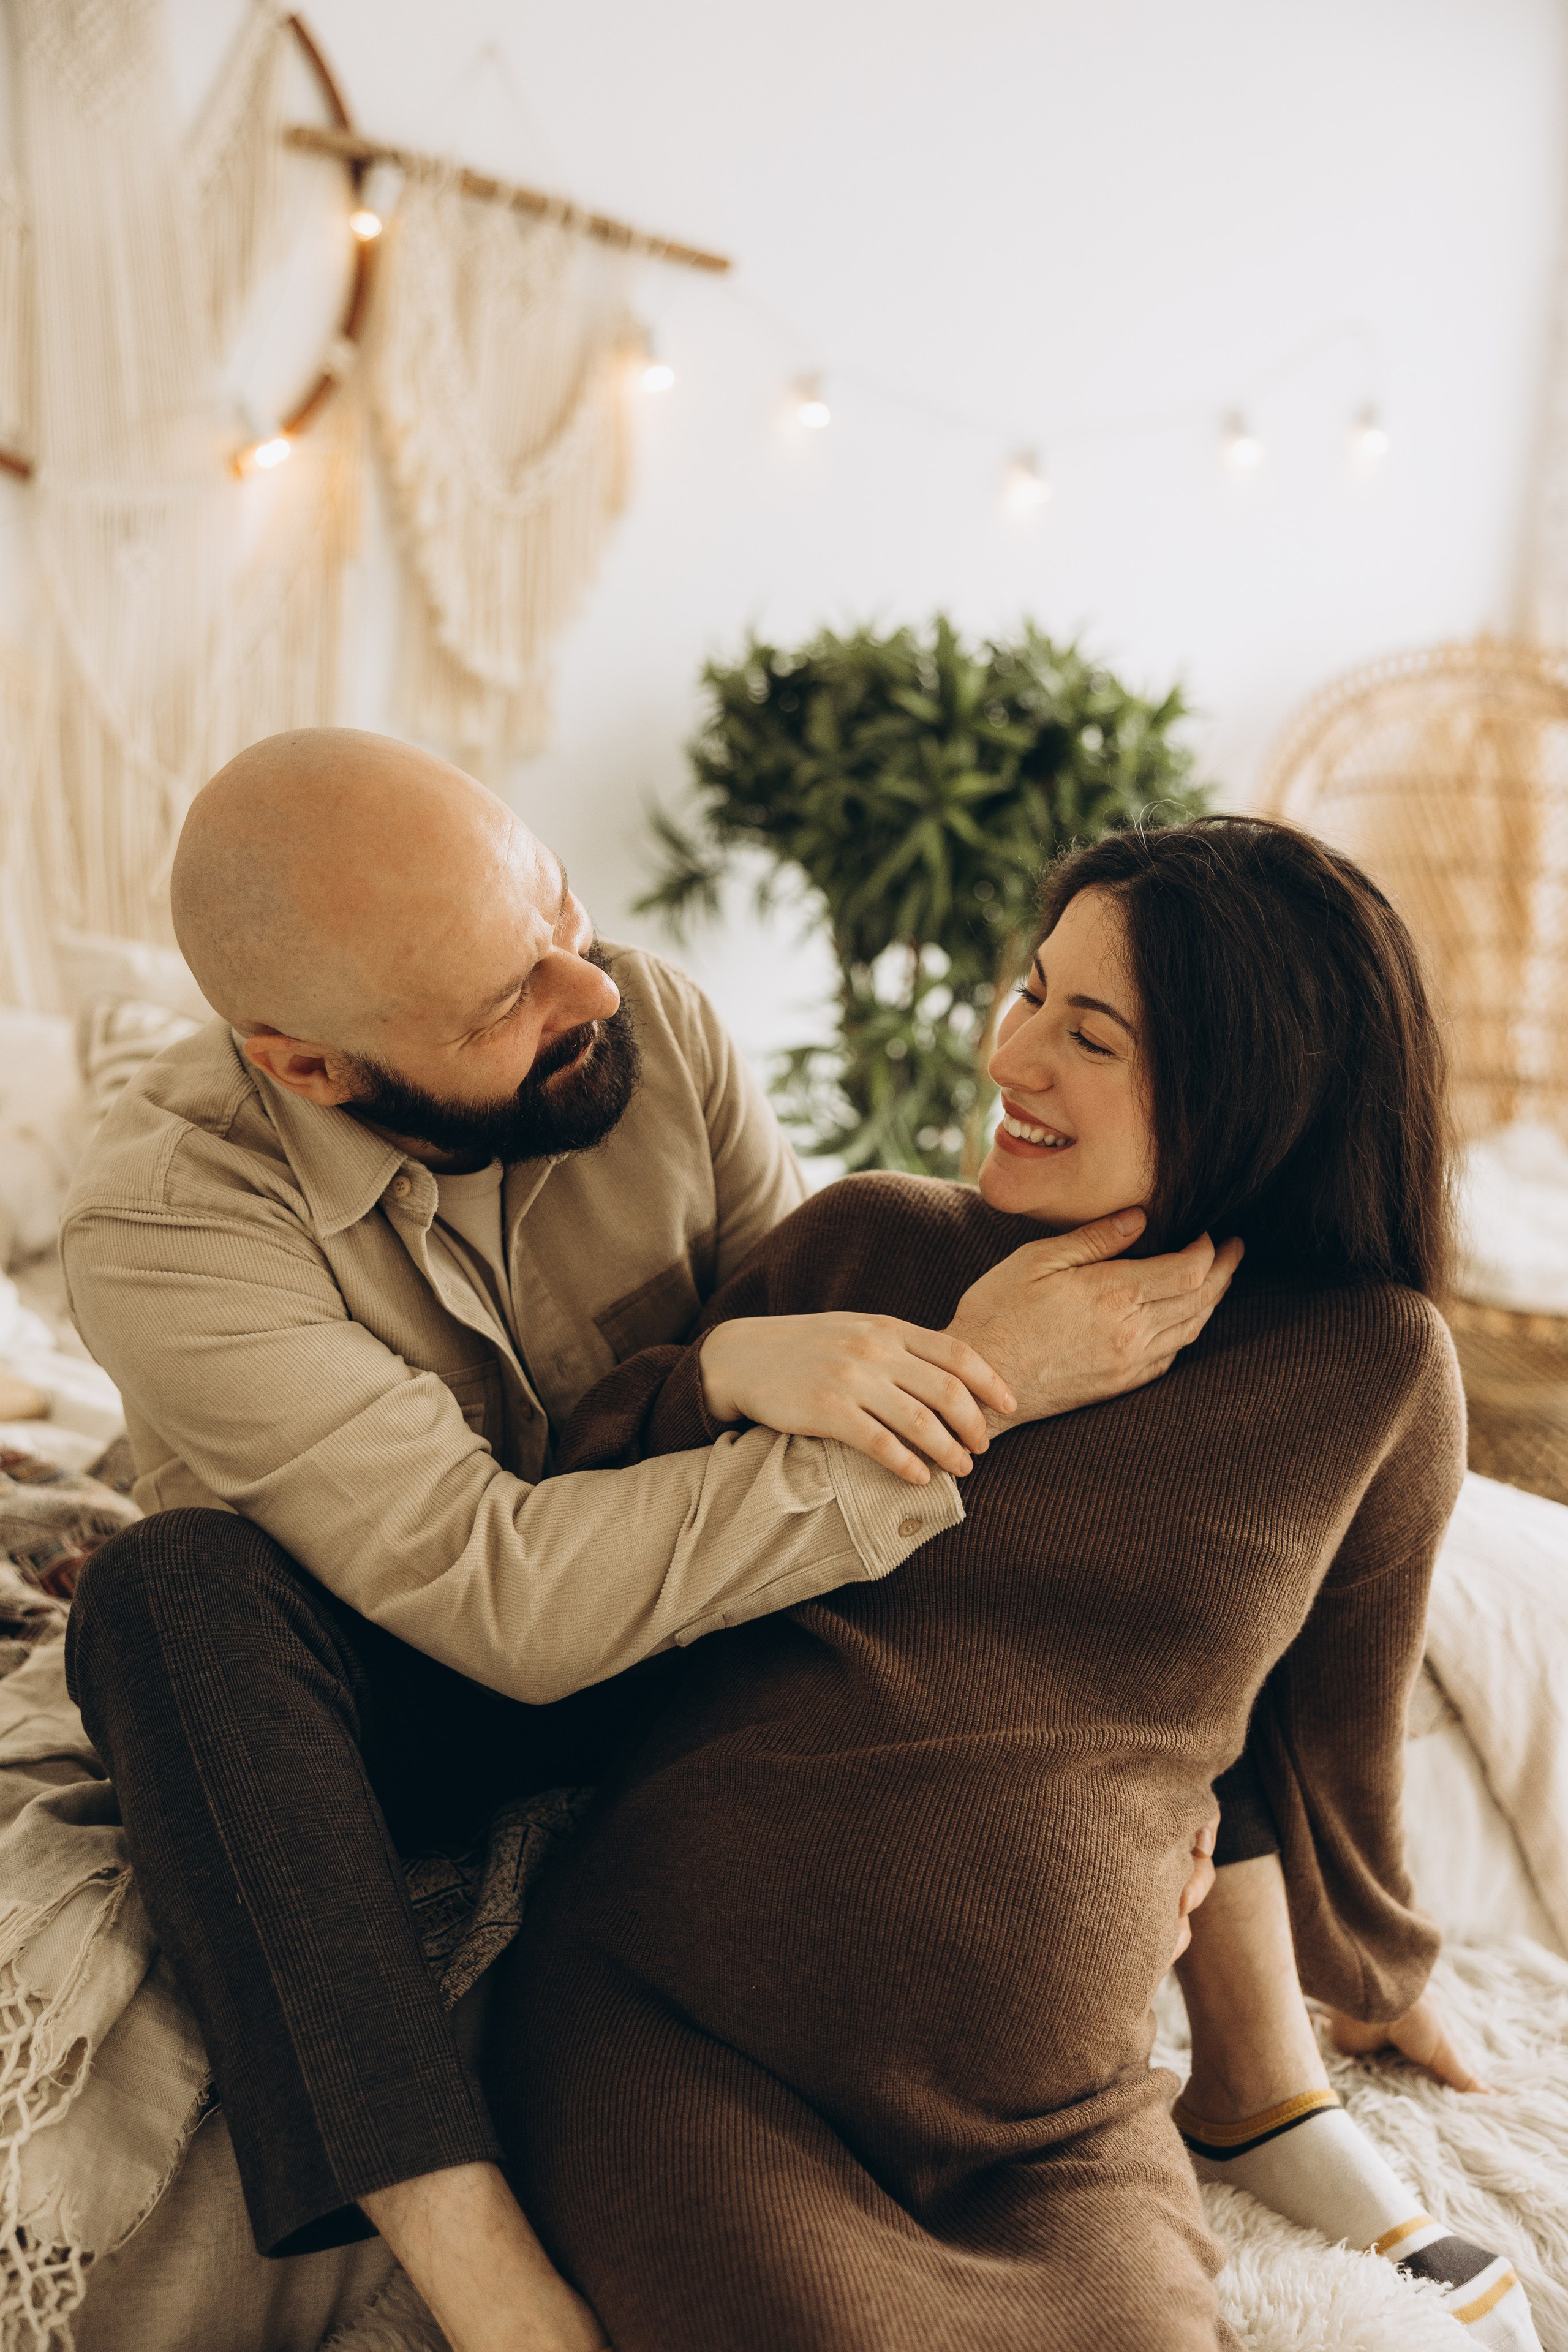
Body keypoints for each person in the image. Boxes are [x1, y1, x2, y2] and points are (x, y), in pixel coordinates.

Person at [59, 730, 1243, 2352]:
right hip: (419, 1680)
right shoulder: (163, 1219)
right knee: (157, 1597)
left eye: (558, 911)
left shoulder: (655, 1025)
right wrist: (941, 1391)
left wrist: (1161, 1810)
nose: (587, 993)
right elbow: (505, 1600)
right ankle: (480, 2268)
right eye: (501, 1009)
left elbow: (823, 1366)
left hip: (700, 1635)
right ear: (307, 1067)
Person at [481, 816, 1540, 2352]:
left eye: (1085, 1033)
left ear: (1249, 1085)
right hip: (688, 2037)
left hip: (1051, 2125)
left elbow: (1323, 1730)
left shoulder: (1367, 1366)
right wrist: (723, 1375)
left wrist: (1374, 1969)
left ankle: (1260, 2113)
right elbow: (565, 1526)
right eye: (1027, 994)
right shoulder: (869, 1247)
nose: (1007, 1057)